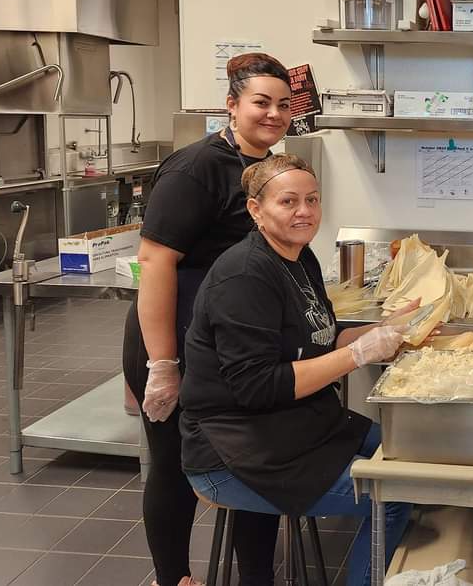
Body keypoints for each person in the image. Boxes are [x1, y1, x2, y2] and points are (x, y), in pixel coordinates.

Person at [180, 154, 413, 586]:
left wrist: (384, 331)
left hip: (301, 426)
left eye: (312, 199)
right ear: (256, 210)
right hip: (237, 451)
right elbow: (257, 386)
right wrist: (360, 354)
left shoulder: (300, 258)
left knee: (415, 449)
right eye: (288, 202)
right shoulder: (244, 276)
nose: (304, 211)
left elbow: (321, 338)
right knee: (397, 494)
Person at [121, 53, 292, 586]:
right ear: (232, 105)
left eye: (283, 105)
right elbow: (155, 261)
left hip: (228, 347)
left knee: (251, 462)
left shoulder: (262, 167)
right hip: (174, 338)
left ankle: (256, 578)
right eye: (260, 102)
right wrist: (163, 363)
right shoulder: (196, 168)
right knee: (173, 466)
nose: (273, 114)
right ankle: (174, 578)